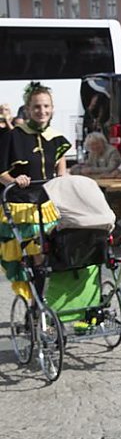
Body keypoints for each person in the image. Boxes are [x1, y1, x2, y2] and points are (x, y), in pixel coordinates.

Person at [0, 82, 71, 296]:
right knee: (36, 255)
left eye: (46, 106)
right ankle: (37, 303)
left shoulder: (55, 136)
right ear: (28, 109)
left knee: (50, 254)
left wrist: (62, 178)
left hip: (47, 203)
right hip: (21, 205)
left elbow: (60, 162)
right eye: (37, 107)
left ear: (52, 108)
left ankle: (42, 302)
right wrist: (14, 179)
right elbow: (1, 172)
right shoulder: (14, 136)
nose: (42, 111)